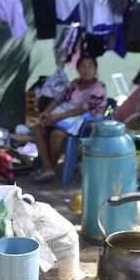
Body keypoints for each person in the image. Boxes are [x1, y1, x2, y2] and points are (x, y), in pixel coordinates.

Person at [32, 54, 107, 183]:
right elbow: (58, 98)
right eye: (83, 66)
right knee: (37, 128)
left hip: (86, 125)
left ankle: (50, 167)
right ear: (77, 69)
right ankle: (47, 168)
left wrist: (57, 117)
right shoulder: (74, 84)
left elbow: (82, 109)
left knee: (57, 135)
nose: (86, 70)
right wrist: (47, 112)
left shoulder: (98, 88)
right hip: (66, 119)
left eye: (90, 66)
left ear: (95, 69)